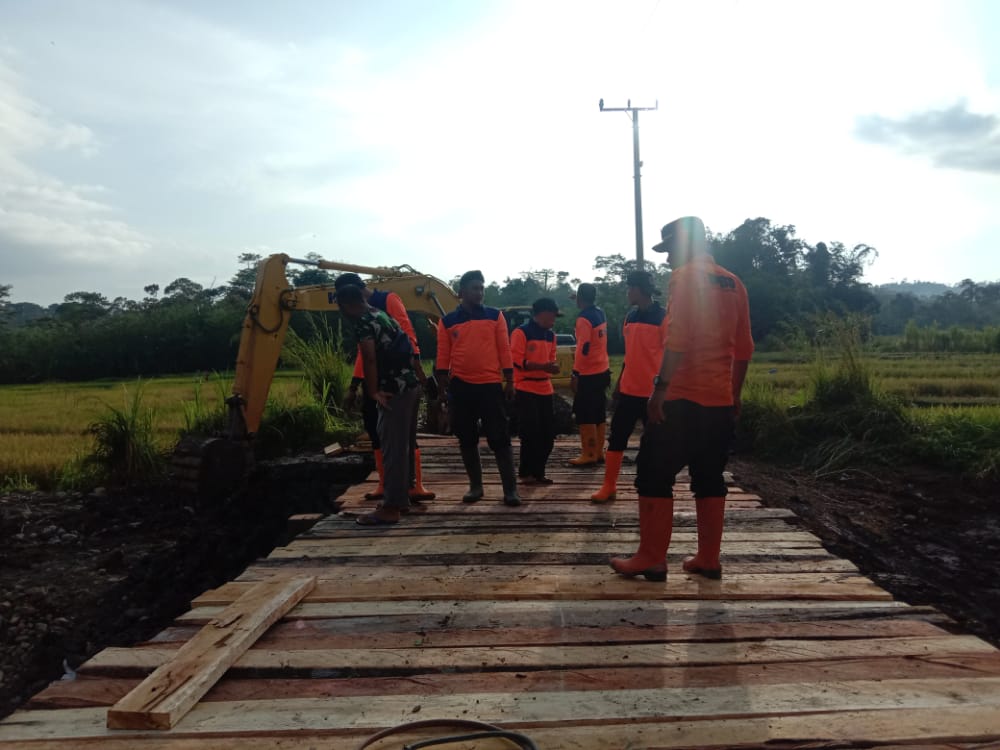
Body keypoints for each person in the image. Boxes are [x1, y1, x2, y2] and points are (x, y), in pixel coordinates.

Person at [610, 216, 754, 581]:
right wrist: (733, 394)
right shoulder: (734, 282)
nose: (667, 259)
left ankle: (652, 557)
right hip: (718, 403)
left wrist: (659, 391)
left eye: (669, 249)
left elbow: (678, 339)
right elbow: (745, 348)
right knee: (708, 477)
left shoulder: (684, 277)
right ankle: (708, 558)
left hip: (682, 400)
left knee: (653, 473)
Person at [337, 273, 434, 503]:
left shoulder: (368, 317)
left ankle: (394, 503)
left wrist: (371, 391)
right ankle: (399, 491)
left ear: (346, 302)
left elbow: (369, 356)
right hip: (406, 385)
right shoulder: (379, 315)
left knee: (394, 446)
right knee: (395, 440)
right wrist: (355, 384)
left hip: (391, 389)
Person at [435, 270, 521, 506]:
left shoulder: (496, 316)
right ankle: (476, 487)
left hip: (491, 386)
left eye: (482, 288)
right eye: (475, 288)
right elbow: (443, 356)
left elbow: (505, 350)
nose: (479, 293)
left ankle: (510, 490)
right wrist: (442, 389)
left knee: (500, 438)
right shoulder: (447, 322)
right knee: (466, 438)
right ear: (461, 292)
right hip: (461, 387)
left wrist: (510, 381)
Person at [590, 270, 668, 503]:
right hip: (628, 390)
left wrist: (664, 390)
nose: (627, 292)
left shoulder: (664, 318)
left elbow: (671, 358)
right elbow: (629, 355)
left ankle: (653, 487)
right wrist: (618, 385)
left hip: (653, 394)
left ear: (639, 289)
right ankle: (609, 485)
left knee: (655, 442)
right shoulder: (630, 317)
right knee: (617, 439)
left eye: (629, 288)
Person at [510, 297, 561, 484]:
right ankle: (525, 472)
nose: (554, 320)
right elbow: (518, 362)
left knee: (548, 434)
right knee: (530, 432)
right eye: (552, 316)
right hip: (525, 387)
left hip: (545, 387)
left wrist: (551, 367)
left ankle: (539, 471)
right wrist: (544, 366)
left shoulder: (551, 336)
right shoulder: (521, 333)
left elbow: (551, 359)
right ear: (543, 313)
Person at [567, 283, 610, 467]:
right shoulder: (599, 313)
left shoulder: (583, 319)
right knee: (599, 412)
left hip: (588, 372)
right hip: (603, 370)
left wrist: (575, 373)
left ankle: (589, 453)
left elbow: (583, 348)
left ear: (580, 298)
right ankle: (599, 452)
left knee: (585, 413)